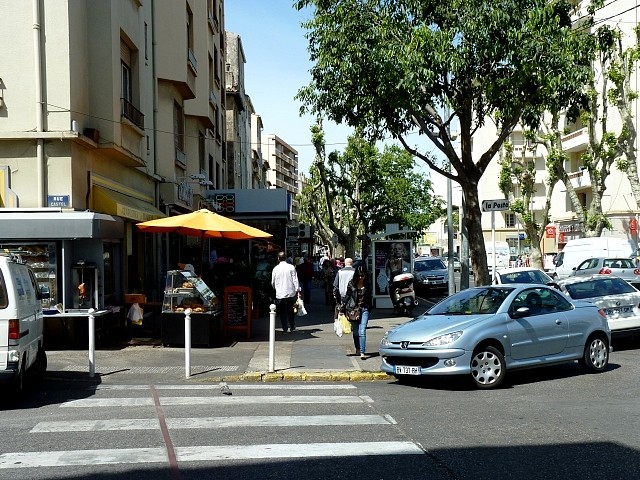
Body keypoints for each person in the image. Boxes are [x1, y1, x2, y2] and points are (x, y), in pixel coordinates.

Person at [342, 266, 373, 359]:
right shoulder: (351, 284)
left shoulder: (367, 285)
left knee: (362, 331)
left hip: (364, 309)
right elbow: (347, 297)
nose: (360, 278)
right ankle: (358, 349)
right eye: (359, 276)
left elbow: (369, 297)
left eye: (362, 276)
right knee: (355, 332)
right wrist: (342, 308)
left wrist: (369, 307)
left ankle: (363, 352)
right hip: (353, 310)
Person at [271, 251, 300, 333]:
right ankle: (292, 325)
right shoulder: (291, 267)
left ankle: (284, 327)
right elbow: (295, 279)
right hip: (290, 292)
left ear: (278, 258)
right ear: (286, 258)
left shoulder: (275, 269)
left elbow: (272, 282)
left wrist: (275, 288)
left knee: (283, 311)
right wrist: (297, 289)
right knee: (291, 310)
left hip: (280, 293)